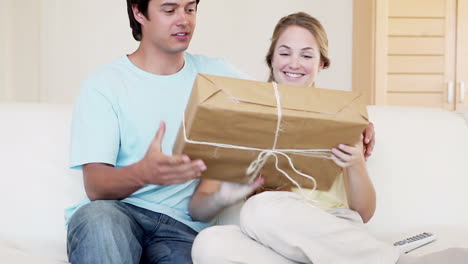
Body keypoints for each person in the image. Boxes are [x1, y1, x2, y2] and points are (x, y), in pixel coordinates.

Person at [190, 12, 468, 264]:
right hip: (268, 241)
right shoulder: (242, 117)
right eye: (285, 53)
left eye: (307, 55)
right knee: (209, 243)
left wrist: (355, 162)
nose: (294, 64)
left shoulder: (344, 117)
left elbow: (364, 212)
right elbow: (198, 210)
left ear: (322, 63)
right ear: (271, 60)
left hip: (335, 231)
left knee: (259, 208)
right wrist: (223, 195)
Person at [65, 0, 249, 263]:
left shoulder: (217, 75)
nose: (183, 20)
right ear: (139, 12)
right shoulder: (104, 84)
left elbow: (278, 105)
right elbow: (96, 185)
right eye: (169, 10)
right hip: (114, 213)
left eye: (190, 9)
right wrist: (144, 173)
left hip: (182, 230)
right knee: (98, 221)